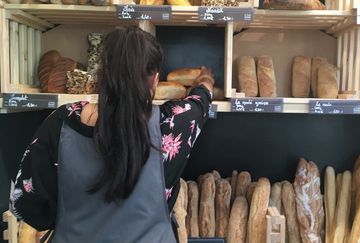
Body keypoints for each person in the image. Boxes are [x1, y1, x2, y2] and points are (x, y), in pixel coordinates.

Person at [9, 26, 214, 242]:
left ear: (102, 74)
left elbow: (24, 204)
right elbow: (201, 99)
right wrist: (205, 79)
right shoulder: (175, 123)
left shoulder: (61, 122)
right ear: (155, 79)